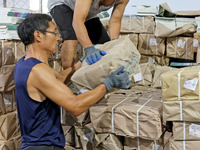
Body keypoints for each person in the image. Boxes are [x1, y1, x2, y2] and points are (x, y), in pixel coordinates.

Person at [14, 13, 130, 150]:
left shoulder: (24, 64)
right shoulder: (38, 71)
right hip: (44, 146)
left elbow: (59, 78)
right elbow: (75, 106)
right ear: (38, 35)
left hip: (35, 144)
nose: (58, 38)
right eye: (54, 33)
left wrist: (82, 61)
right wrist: (108, 84)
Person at [48, 0, 130, 68]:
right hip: (63, 4)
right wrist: (89, 48)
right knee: (72, 36)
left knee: (105, 45)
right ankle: (67, 79)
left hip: (86, 12)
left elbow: (115, 21)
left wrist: (114, 43)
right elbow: (77, 21)